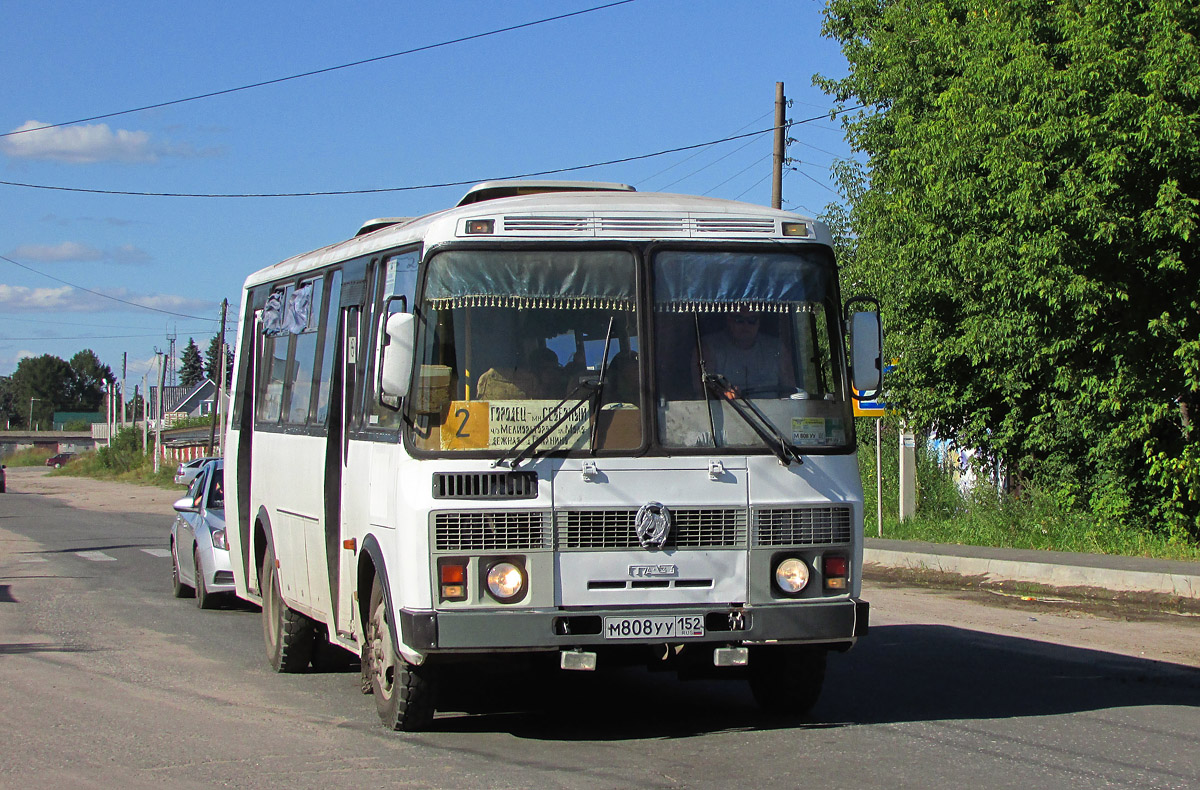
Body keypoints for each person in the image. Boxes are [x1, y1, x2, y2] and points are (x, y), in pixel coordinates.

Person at [700, 310, 793, 397]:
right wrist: (723, 394)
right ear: (728, 319)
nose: (746, 325)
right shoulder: (708, 348)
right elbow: (702, 394)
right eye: (739, 319)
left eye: (752, 320)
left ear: (759, 321)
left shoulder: (776, 349)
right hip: (727, 411)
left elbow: (791, 392)